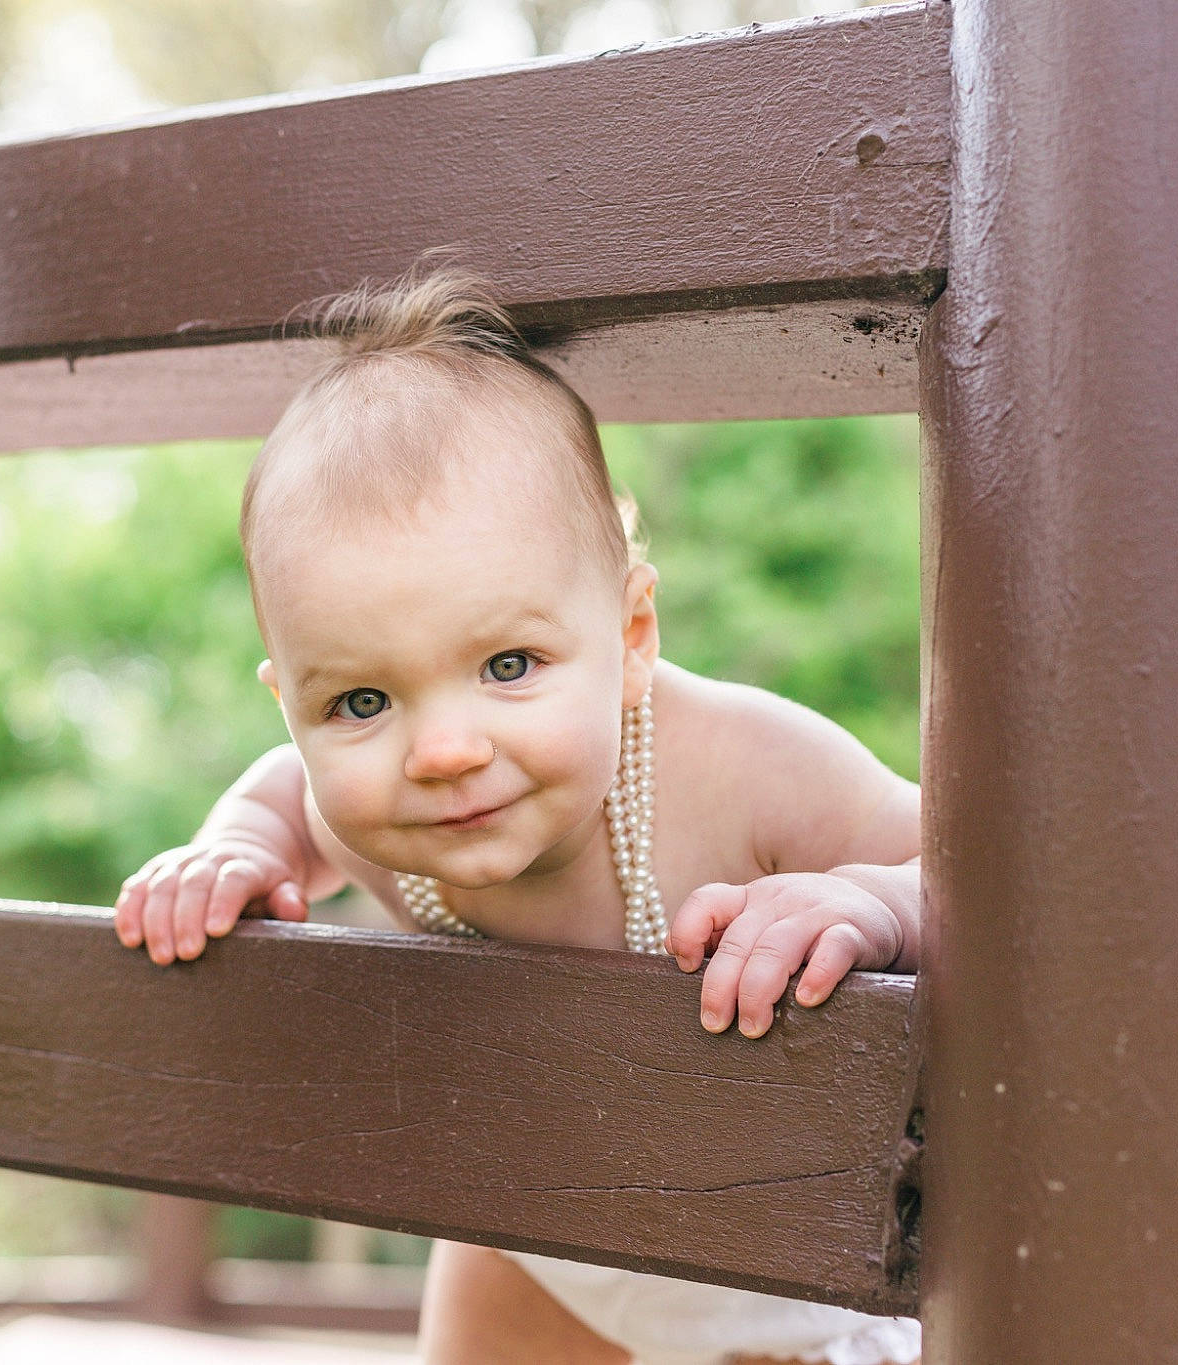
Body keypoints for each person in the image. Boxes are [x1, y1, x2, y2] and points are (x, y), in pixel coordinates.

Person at [112, 267, 922, 1365]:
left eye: (507, 664)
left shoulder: (743, 767)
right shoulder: (353, 806)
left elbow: (961, 869)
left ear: (633, 636)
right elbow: (283, 799)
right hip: (538, 1236)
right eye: (360, 701)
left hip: (786, 1253)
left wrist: (868, 901)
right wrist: (238, 848)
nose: (441, 751)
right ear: (290, 704)